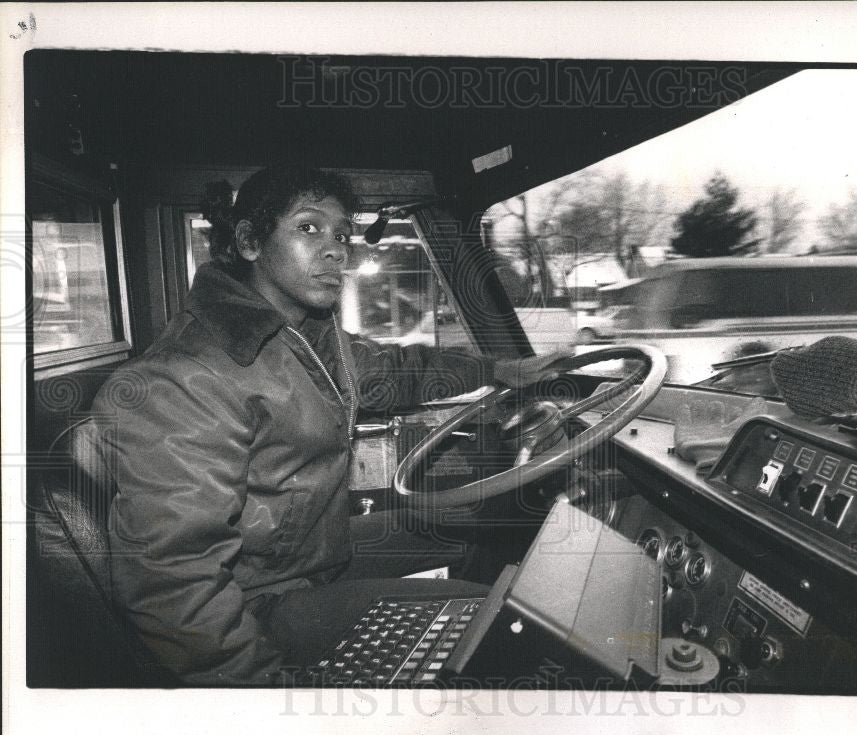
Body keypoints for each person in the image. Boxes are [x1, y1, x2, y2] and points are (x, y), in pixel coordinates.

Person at [92, 165, 563, 686]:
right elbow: (173, 581)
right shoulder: (184, 378)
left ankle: (445, 678)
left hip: (312, 554)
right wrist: (262, 698)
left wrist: (497, 369)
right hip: (260, 599)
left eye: (343, 234)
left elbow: (393, 371)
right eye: (309, 228)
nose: (337, 249)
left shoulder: (307, 336)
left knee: (478, 532)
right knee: (501, 622)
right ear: (249, 241)